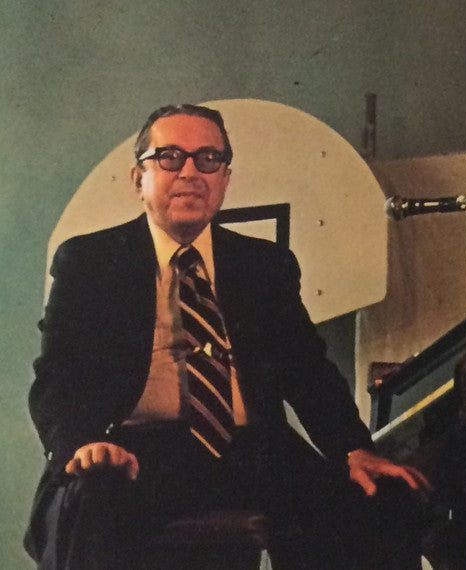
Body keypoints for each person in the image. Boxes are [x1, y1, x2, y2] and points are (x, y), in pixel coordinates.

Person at [25, 104, 429, 569]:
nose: (190, 172)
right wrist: (80, 444)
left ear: (225, 179)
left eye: (208, 159)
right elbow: (57, 375)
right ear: (138, 178)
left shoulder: (265, 265)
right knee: (91, 500)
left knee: (383, 498)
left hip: (254, 451)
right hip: (140, 450)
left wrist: (353, 448)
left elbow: (307, 370)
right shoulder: (90, 261)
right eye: (170, 157)